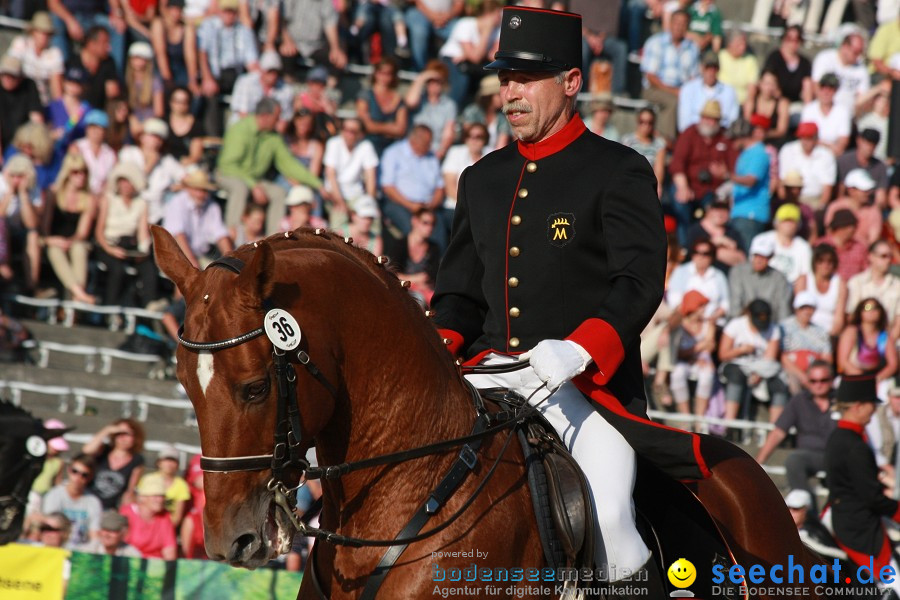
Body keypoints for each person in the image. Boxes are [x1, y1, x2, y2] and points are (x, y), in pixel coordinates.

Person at [432, 8, 700, 592]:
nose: (510, 93)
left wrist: (580, 351)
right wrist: (435, 349)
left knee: (607, 518)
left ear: (572, 83)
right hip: (487, 377)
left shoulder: (618, 170)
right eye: (505, 79)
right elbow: (456, 295)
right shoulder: (482, 178)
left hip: (582, 388)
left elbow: (639, 281)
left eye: (526, 79)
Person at [824, 374, 900, 594]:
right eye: (870, 405)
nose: (873, 411)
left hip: (846, 518)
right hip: (859, 529)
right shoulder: (855, 446)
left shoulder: (838, 438)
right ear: (858, 406)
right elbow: (872, 497)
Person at [216, 98, 325, 236]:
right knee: (240, 188)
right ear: (265, 116)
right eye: (277, 117)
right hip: (229, 174)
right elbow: (228, 165)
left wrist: (317, 184)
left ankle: (273, 239)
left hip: (254, 180)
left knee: (279, 193)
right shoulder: (240, 129)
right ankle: (232, 237)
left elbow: (289, 164)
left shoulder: (274, 137)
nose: (279, 120)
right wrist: (253, 185)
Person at [757, 361, 836, 515]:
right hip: (808, 455)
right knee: (794, 460)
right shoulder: (799, 401)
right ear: (807, 381)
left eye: (823, 380)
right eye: (813, 381)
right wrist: (758, 462)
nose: (818, 385)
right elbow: (779, 431)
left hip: (838, 456)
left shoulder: (842, 401)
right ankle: (808, 514)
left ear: (831, 380)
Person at [668, 99, 737, 244]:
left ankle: (707, 247)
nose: (709, 122)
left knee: (716, 210)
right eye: (706, 118)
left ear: (718, 121)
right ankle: (684, 247)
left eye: (713, 119)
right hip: (689, 185)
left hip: (713, 189)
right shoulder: (690, 133)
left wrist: (724, 174)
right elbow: (677, 163)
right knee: (680, 204)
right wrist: (683, 186)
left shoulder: (726, 138)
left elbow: (734, 170)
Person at [93, 161, 159, 308]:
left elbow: (142, 232)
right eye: (122, 181)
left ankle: (150, 304)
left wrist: (143, 249)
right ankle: (111, 306)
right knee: (117, 269)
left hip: (128, 245)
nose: (125, 185)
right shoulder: (108, 199)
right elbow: (99, 231)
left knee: (148, 266)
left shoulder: (141, 203)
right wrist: (110, 249)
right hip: (108, 244)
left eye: (128, 182)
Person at [40, 152, 95, 304]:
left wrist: (69, 242)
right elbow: (44, 228)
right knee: (54, 250)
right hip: (52, 240)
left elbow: (82, 233)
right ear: (67, 173)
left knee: (79, 249)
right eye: (76, 172)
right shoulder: (53, 194)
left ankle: (77, 296)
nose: (81, 176)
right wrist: (54, 240)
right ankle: (80, 295)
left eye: (84, 172)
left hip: (74, 241)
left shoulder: (88, 199)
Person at [380, 124, 446, 248]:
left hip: (428, 207)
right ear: (415, 140)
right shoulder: (393, 153)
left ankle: (438, 263)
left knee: (438, 227)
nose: (430, 145)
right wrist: (411, 205)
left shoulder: (431, 157)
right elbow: (388, 187)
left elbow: (440, 188)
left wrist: (431, 205)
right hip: (400, 204)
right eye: (427, 142)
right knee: (415, 230)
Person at [640, 9, 699, 140]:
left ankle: (689, 141)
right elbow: (650, 77)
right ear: (670, 23)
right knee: (673, 101)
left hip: (682, 91)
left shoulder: (692, 48)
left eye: (683, 23)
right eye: (676, 22)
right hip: (654, 89)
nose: (679, 26)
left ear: (687, 27)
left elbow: (694, 78)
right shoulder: (656, 42)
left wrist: (687, 92)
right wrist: (674, 91)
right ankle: (666, 141)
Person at [162, 169, 233, 269]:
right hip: (177, 256)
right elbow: (178, 237)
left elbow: (220, 234)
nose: (201, 194)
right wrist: (193, 265)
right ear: (188, 188)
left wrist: (231, 261)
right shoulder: (177, 203)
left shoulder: (211, 205)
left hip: (201, 256)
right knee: (186, 276)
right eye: (198, 189)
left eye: (204, 190)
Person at [669, 290, 717, 426]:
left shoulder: (708, 324)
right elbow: (678, 352)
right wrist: (699, 347)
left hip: (701, 361)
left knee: (707, 375)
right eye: (701, 306)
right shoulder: (680, 325)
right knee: (677, 374)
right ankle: (685, 418)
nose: (704, 309)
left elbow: (710, 346)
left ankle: (699, 419)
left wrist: (693, 352)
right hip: (683, 361)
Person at [42, 454, 103, 550]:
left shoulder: (93, 502)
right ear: (69, 470)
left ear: (90, 478)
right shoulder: (54, 495)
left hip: (81, 551)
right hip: (57, 549)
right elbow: (50, 529)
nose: (78, 477)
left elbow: (94, 535)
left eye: (84, 475)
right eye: (75, 471)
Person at [83, 419, 146, 510]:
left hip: (109, 508)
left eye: (127, 434)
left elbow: (130, 491)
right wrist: (106, 430)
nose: (123, 438)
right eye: (119, 434)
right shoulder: (103, 450)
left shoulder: (137, 460)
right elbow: (87, 451)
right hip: (87, 500)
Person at [728, 235, 793, 323]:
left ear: (771, 257)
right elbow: (735, 306)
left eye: (763, 256)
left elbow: (783, 309)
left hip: (769, 324)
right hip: (742, 323)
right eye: (756, 255)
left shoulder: (779, 278)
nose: (758, 260)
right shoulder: (738, 272)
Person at [404, 60, 457, 160]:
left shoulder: (449, 105)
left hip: (433, 153)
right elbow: (410, 102)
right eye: (431, 81)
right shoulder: (419, 99)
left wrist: (440, 153)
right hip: (412, 151)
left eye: (438, 81)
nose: (434, 85)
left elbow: (448, 133)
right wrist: (423, 77)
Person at [779, 292, 832, 392]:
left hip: (815, 372)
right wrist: (802, 376)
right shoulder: (784, 327)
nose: (807, 312)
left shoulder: (821, 331)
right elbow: (783, 357)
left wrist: (816, 374)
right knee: (792, 381)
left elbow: (826, 357)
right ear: (796, 309)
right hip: (792, 371)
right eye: (803, 308)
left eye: (810, 308)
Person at [837, 298, 898, 384]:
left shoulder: (884, 336)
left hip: (878, 378)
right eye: (867, 307)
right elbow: (843, 362)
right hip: (852, 377)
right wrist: (862, 379)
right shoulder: (851, 332)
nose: (872, 311)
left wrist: (877, 378)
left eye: (876, 308)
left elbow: (892, 365)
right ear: (860, 312)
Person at [8, 12, 65, 105]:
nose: (45, 37)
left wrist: (58, 108)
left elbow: (56, 89)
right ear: (33, 32)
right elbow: (10, 69)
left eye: (48, 34)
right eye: (42, 32)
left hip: (41, 101)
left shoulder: (55, 53)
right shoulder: (21, 44)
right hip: (19, 95)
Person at [356, 57, 408, 157]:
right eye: (381, 72)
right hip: (369, 145)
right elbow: (366, 126)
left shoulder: (398, 99)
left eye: (388, 73)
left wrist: (376, 126)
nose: (384, 77)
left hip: (392, 147)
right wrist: (390, 127)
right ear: (376, 73)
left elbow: (401, 129)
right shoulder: (365, 95)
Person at [778, 122, 836, 212]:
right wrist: (785, 205)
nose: (805, 141)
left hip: (815, 201)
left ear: (816, 138)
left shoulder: (826, 155)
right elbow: (782, 182)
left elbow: (827, 188)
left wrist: (820, 209)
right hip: (791, 199)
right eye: (803, 137)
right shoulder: (788, 150)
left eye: (808, 138)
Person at [676, 51, 739, 134]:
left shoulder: (729, 91)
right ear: (701, 68)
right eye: (707, 68)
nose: (711, 72)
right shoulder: (688, 89)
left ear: (718, 70)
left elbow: (732, 121)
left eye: (714, 68)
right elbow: (684, 123)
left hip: (719, 134)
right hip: (694, 135)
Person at [64, 25, 121, 112]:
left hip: (99, 115)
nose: (109, 48)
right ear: (91, 44)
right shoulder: (73, 62)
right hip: (74, 114)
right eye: (105, 43)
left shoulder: (109, 62)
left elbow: (113, 93)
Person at [119, 475, 177, 560]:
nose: (160, 500)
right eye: (155, 496)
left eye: (162, 496)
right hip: (129, 562)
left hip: (154, 565)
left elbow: (169, 551)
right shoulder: (126, 513)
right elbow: (118, 546)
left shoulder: (164, 517)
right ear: (142, 497)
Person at [795, 243, 846, 337]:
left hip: (830, 333)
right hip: (805, 331)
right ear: (815, 262)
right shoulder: (804, 280)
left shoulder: (840, 283)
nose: (825, 265)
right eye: (821, 261)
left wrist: (829, 336)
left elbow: (839, 318)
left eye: (830, 261)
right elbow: (799, 311)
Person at [753, 203, 811, 286]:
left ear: (798, 224)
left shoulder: (804, 247)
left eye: (792, 221)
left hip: (791, 288)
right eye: (785, 220)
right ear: (776, 222)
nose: (788, 224)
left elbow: (805, 275)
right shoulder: (762, 240)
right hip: (765, 284)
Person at [0, 55, 44, 155]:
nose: (7, 79)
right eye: (4, 74)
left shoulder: (29, 86)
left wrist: (38, 145)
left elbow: (36, 118)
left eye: (12, 76)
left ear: (20, 77)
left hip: (23, 143)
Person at [826, 170, 882, 246]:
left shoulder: (873, 211)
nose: (868, 193)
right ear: (851, 190)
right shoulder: (835, 207)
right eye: (864, 190)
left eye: (868, 190)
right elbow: (830, 233)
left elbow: (873, 240)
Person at [761, 26, 813, 108]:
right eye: (789, 38)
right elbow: (768, 80)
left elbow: (807, 88)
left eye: (797, 39)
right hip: (774, 102)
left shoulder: (805, 63)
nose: (793, 42)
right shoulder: (774, 57)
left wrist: (808, 108)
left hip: (795, 104)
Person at [800, 72, 850, 157]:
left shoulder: (842, 112)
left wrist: (821, 144)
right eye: (823, 87)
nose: (826, 92)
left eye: (830, 89)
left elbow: (842, 144)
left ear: (835, 91)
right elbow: (805, 138)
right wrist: (829, 146)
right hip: (811, 153)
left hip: (833, 155)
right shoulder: (809, 109)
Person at [835, 129, 889, 207]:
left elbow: (881, 198)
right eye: (867, 143)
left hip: (869, 207)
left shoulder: (880, 167)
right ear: (858, 141)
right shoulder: (844, 161)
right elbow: (840, 193)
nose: (870, 147)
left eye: (873, 144)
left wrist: (873, 212)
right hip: (847, 207)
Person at [621, 108, 666, 199]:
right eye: (642, 122)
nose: (646, 126)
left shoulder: (659, 144)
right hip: (630, 180)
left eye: (650, 122)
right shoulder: (627, 140)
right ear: (637, 122)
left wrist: (658, 186)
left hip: (648, 182)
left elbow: (659, 169)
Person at [816, 209, 868, 281]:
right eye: (852, 226)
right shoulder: (821, 245)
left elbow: (866, 272)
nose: (855, 229)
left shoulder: (859, 248)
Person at [743, 70, 790, 144]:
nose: (769, 88)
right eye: (767, 84)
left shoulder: (782, 103)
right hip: (752, 140)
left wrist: (765, 134)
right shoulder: (751, 101)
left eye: (773, 84)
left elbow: (781, 131)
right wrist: (757, 135)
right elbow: (746, 124)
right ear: (760, 84)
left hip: (772, 142)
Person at [866, 383, 900, 481]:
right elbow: (875, 450)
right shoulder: (876, 416)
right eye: (897, 397)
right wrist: (891, 471)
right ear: (889, 397)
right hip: (883, 470)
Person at [717, 30, 757, 105]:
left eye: (744, 44)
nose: (743, 47)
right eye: (739, 44)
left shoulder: (750, 60)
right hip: (720, 102)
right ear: (730, 44)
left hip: (741, 104)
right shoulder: (720, 57)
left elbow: (751, 91)